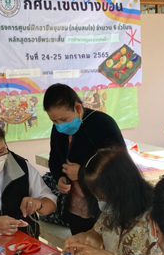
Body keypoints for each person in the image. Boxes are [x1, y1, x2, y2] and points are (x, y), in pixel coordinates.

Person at [44, 83, 125, 235]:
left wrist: (83, 172)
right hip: (75, 207)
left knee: (103, 246)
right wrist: (60, 177)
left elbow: (120, 166)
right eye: (54, 121)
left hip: (103, 207)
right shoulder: (58, 129)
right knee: (79, 246)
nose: (60, 126)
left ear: (77, 108)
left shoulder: (102, 124)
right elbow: (54, 159)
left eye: (63, 119)